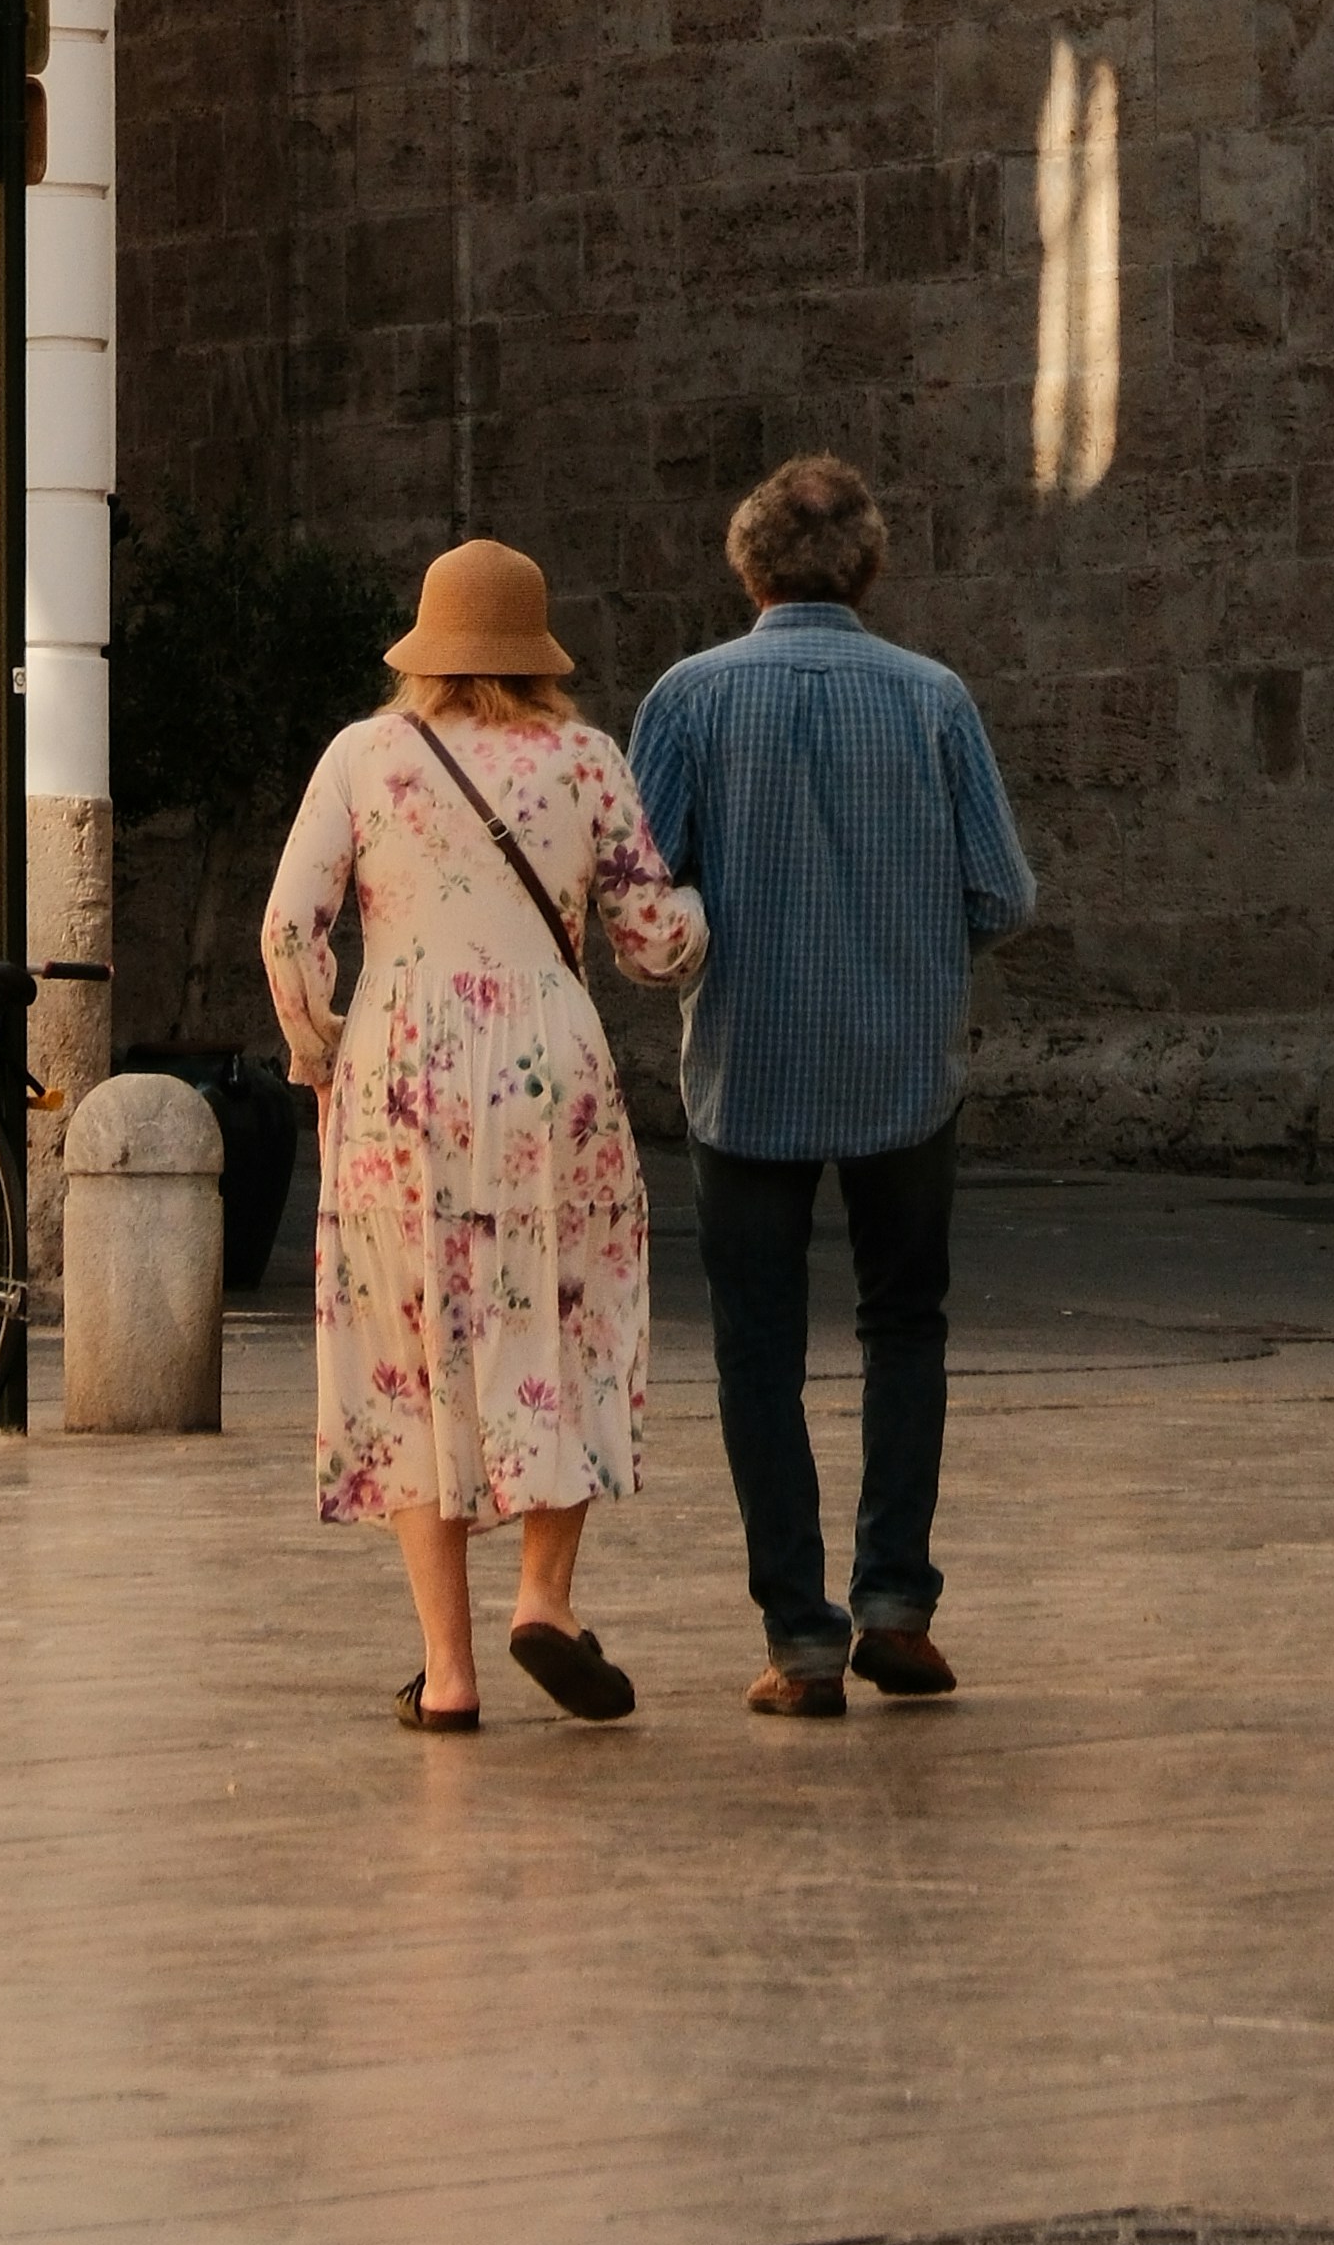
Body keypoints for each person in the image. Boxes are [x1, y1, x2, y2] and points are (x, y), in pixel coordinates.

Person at [259, 536, 707, 1732]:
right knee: (567, 1317)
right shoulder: (585, 758)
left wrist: (319, 1053)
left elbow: (289, 931)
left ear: (425, 646)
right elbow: (653, 944)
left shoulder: (363, 755)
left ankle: (447, 1672)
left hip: (395, 1077)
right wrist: (702, 913)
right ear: (537, 652)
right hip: (550, 1073)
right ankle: (544, 1599)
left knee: (411, 1348)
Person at [626, 455, 1034, 1718]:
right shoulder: (934, 699)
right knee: (904, 1326)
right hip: (904, 1068)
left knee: (758, 1353)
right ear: (870, 566)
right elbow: (1002, 892)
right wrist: (913, 954)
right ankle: (896, 1602)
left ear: (746, 565)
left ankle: (800, 1642)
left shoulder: (688, 699)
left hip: (745, 1069)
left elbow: (640, 892)